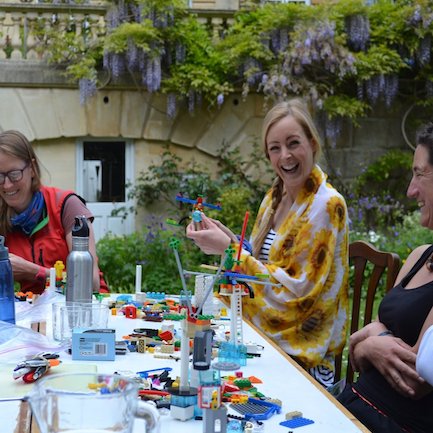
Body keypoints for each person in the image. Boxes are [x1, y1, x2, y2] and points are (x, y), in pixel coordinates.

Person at [187, 98, 349, 387]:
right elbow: (259, 264)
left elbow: (298, 292)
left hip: (301, 356)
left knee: (206, 382)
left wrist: (229, 249)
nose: (285, 155)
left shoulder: (327, 205)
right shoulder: (275, 196)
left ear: (312, 144)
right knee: (193, 372)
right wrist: (225, 239)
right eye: (275, 148)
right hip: (263, 342)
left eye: (293, 143)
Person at [337, 123, 433, 433]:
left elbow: (417, 376)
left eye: (419, 174)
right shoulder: (419, 256)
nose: (410, 190)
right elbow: (359, 355)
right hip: (352, 405)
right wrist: (370, 343)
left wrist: (369, 340)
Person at [0, 130, 108, 294]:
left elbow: (90, 282)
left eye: (14, 174)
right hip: (34, 315)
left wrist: (34, 272)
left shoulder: (67, 206)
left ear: (32, 169)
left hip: (85, 307)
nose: (7, 185)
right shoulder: (2, 217)